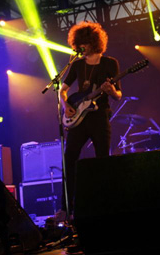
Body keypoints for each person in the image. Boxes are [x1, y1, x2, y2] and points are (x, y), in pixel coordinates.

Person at [59, 21, 122, 219]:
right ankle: (66, 207)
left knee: (102, 159)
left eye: (83, 43)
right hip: (79, 118)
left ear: (93, 42)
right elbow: (63, 90)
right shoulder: (77, 65)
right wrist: (65, 105)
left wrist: (111, 91)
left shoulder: (109, 63)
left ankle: (106, 204)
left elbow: (118, 95)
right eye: (78, 44)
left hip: (99, 115)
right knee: (69, 159)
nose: (80, 47)